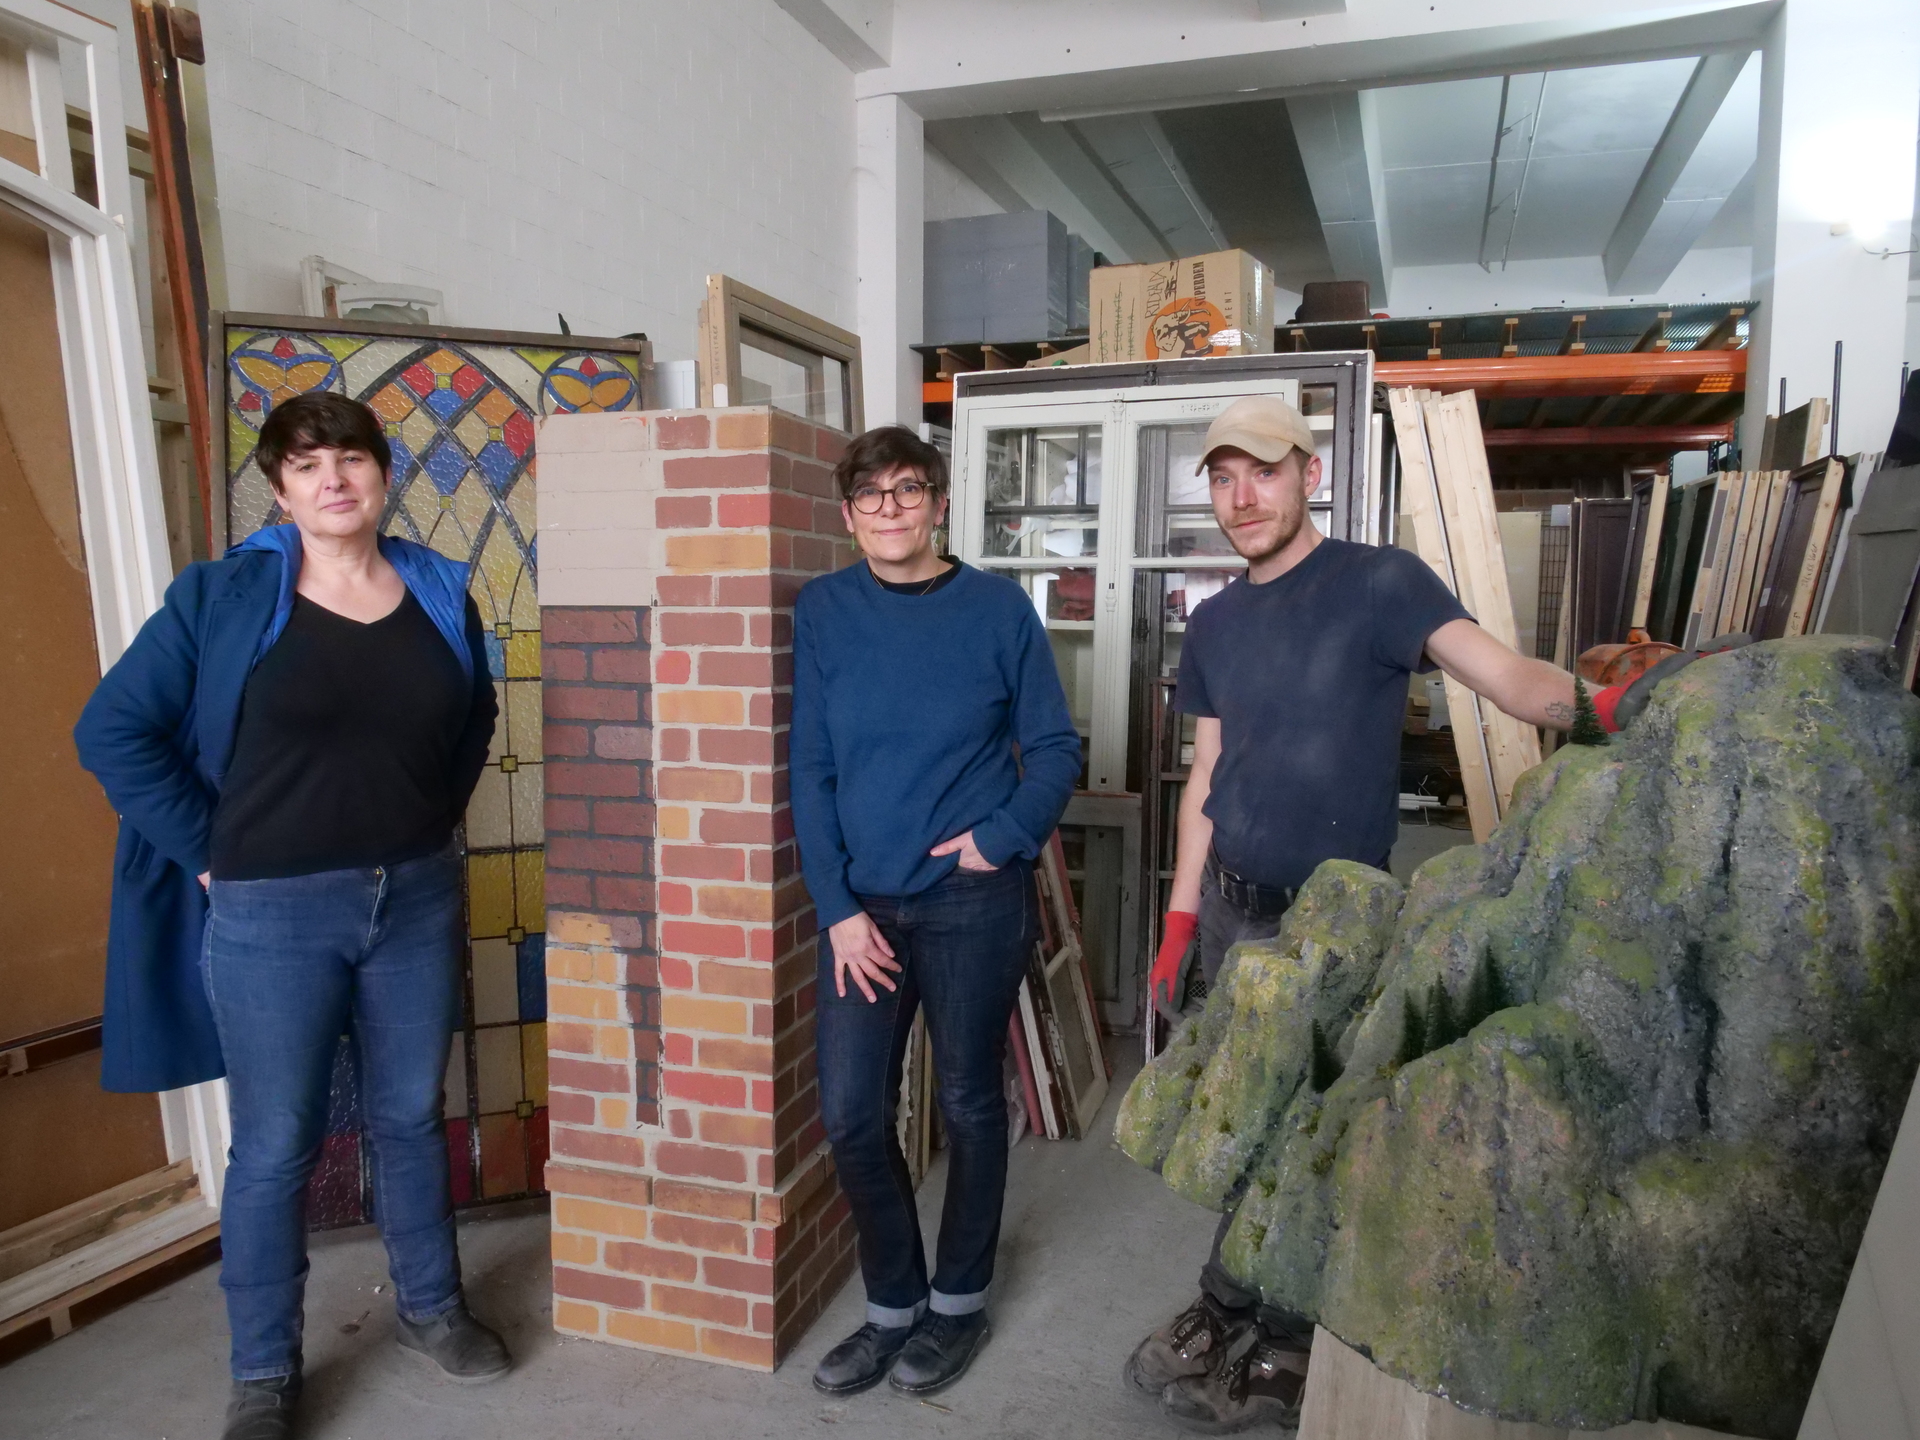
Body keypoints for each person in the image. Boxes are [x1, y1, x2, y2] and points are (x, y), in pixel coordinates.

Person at [1124, 395, 1582, 1432]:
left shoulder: (1381, 583)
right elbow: (1208, 775)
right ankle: (1225, 1299)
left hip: (1339, 927)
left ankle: (1283, 1335)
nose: (1244, 497)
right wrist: (1180, 924)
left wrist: (1611, 701)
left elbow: (1508, 678)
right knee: (1239, 1127)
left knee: (1312, 1134)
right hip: (1238, 918)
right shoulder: (1216, 621)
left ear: (1308, 475)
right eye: (1224, 477)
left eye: (1265, 472)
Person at [74, 393, 508, 1440]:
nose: (332, 480)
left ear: (382, 473)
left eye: (350, 459)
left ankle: (432, 1308)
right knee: (276, 1144)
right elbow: (114, 731)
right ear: (278, 486)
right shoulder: (222, 597)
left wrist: (429, 820)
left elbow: (474, 717)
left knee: (410, 1117)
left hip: (412, 896)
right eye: (306, 464)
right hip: (273, 913)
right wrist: (210, 853)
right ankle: (263, 1371)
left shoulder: (442, 587)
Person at [792, 425, 1082, 1398]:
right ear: (849, 515)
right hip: (861, 908)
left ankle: (957, 1302)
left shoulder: (998, 610)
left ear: (939, 503)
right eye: (870, 496)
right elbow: (812, 768)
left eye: (907, 491)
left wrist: (1002, 837)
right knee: (850, 1114)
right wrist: (835, 906)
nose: (889, 510)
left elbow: (1053, 750)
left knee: (965, 1099)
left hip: (971, 900)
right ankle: (891, 1307)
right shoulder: (826, 610)